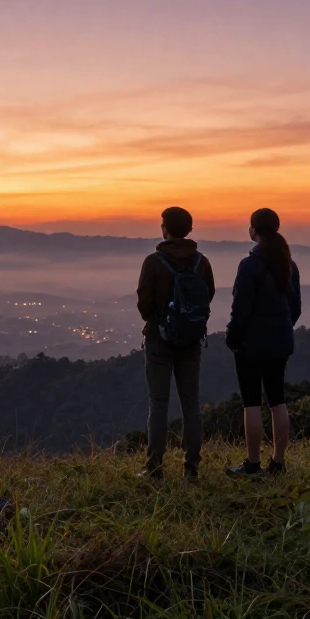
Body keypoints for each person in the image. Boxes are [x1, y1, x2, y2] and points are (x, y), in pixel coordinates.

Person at [135, 206, 216, 481]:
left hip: (159, 340)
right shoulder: (201, 262)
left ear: (165, 228)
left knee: (158, 403)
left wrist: (158, 321)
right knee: (190, 403)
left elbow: (143, 303)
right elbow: (209, 295)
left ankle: (154, 467)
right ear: (189, 230)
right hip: (191, 341)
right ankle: (191, 466)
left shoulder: (154, 262)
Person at [225, 207, 301, 477]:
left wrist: (233, 338)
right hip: (280, 341)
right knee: (277, 399)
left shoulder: (250, 265)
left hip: (250, 344)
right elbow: (295, 308)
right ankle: (278, 463)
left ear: (254, 230)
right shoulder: (288, 264)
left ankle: (253, 464)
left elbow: (240, 309)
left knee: (251, 402)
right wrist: (281, 328)